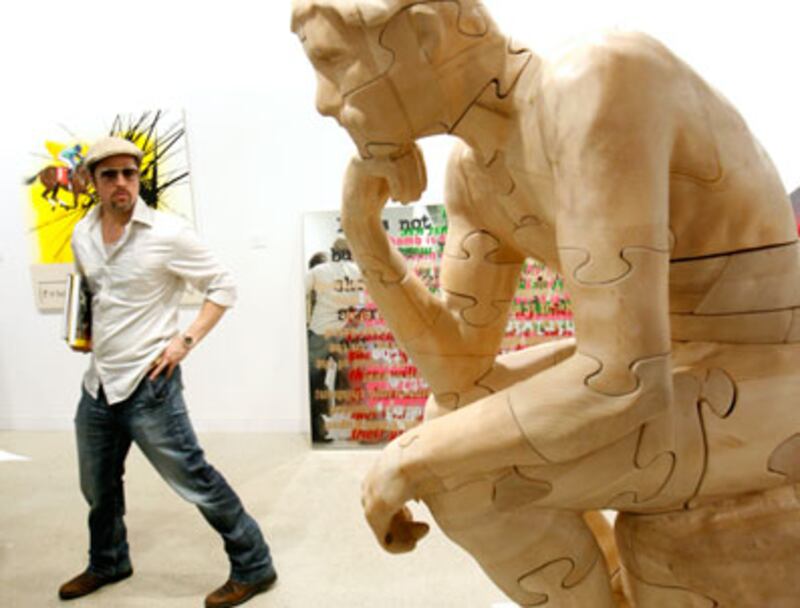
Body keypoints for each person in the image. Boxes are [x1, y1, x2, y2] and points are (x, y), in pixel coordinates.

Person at [292, 1, 800, 605]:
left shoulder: (598, 79)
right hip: (684, 362)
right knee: (450, 418)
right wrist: (363, 229)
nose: (323, 101)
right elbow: (459, 372)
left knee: (460, 474)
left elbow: (623, 379)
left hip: (774, 366)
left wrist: (414, 458)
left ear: (423, 34)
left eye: (333, 61)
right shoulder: (474, 172)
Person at [60, 136, 277, 608]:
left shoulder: (167, 233)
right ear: (93, 181)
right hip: (99, 384)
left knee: (194, 480)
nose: (122, 183)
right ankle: (108, 561)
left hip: (150, 385)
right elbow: (91, 291)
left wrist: (185, 340)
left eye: (130, 173)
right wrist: (83, 331)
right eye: (110, 175)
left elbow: (222, 285)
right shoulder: (83, 234)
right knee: (96, 487)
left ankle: (255, 564)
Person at [305, 238, 363, 442]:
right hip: (346, 332)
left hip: (319, 332)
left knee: (315, 382)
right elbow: (365, 302)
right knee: (352, 380)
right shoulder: (358, 271)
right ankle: (363, 428)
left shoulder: (318, 271)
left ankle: (318, 430)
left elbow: (299, 292)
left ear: (332, 252)